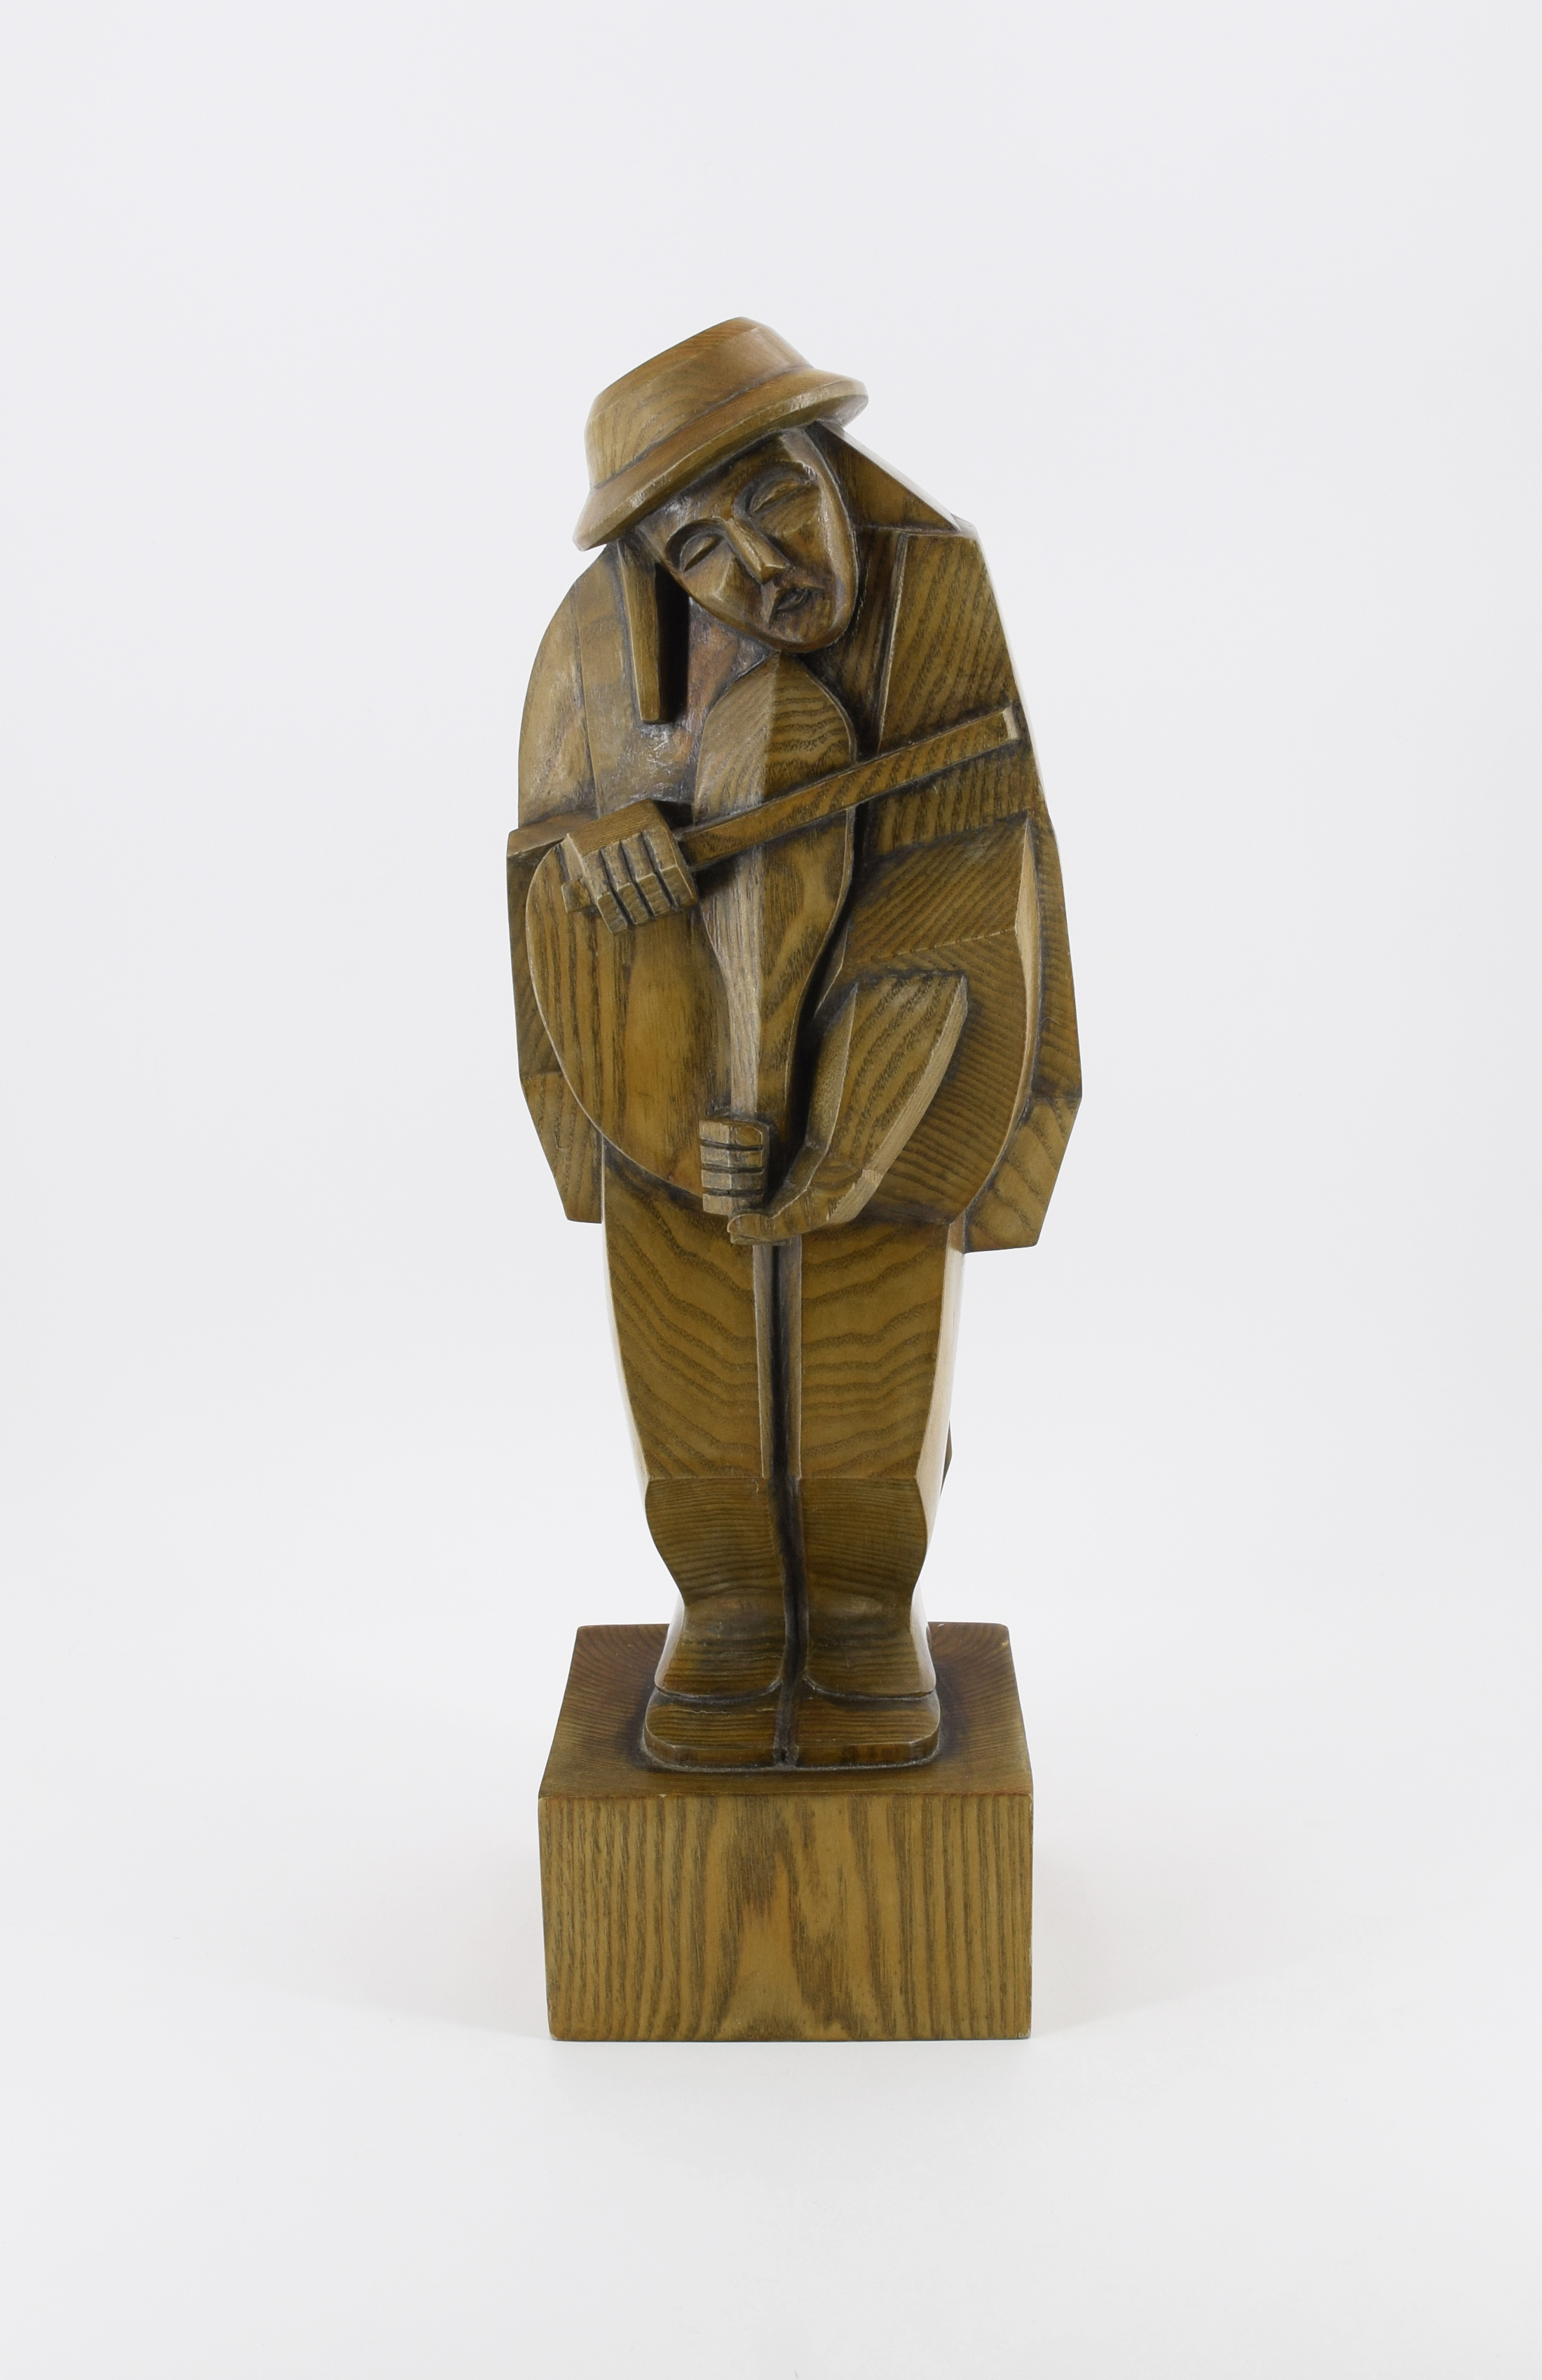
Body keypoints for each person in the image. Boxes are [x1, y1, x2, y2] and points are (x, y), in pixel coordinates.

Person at [508, 318, 1079, 1769]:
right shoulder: (591, 647)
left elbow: (969, 872)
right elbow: (540, 851)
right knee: (691, 1377)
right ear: (655, 566)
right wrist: (597, 854)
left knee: (866, 1372)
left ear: (829, 465)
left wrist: (837, 1126)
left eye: (777, 499)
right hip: (658, 1063)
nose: (763, 570)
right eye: (701, 549)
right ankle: (729, 1609)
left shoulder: (932, 588)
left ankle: (867, 1615)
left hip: (892, 1076)